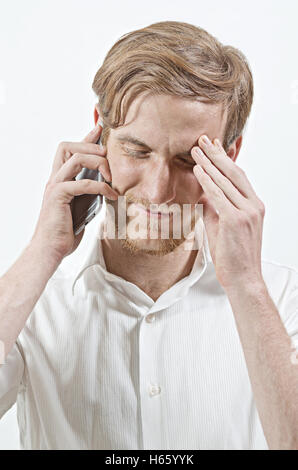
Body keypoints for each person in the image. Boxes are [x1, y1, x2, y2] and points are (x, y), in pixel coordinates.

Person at [0, 20, 297, 451]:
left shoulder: (280, 300)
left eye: (186, 160)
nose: (159, 190)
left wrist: (247, 285)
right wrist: (42, 253)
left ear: (229, 155)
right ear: (100, 130)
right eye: (138, 150)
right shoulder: (32, 305)